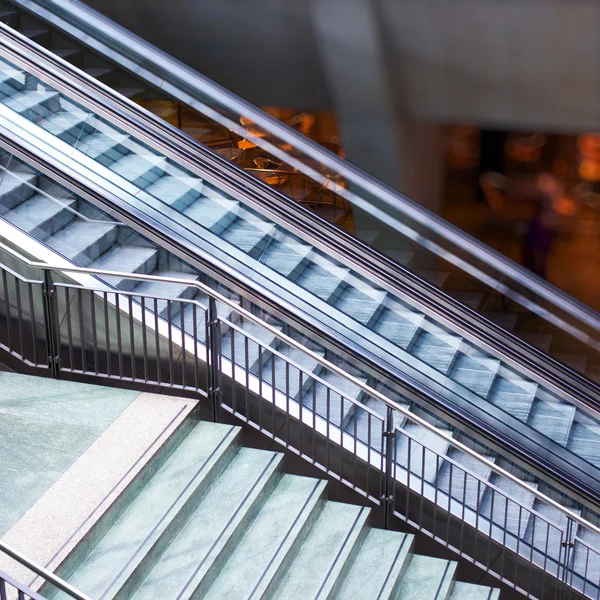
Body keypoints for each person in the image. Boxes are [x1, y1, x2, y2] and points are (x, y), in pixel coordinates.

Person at [521, 173, 560, 280]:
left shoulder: (546, 185)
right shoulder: (546, 184)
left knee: (538, 258)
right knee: (535, 257)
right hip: (540, 227)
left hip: (542, 227)